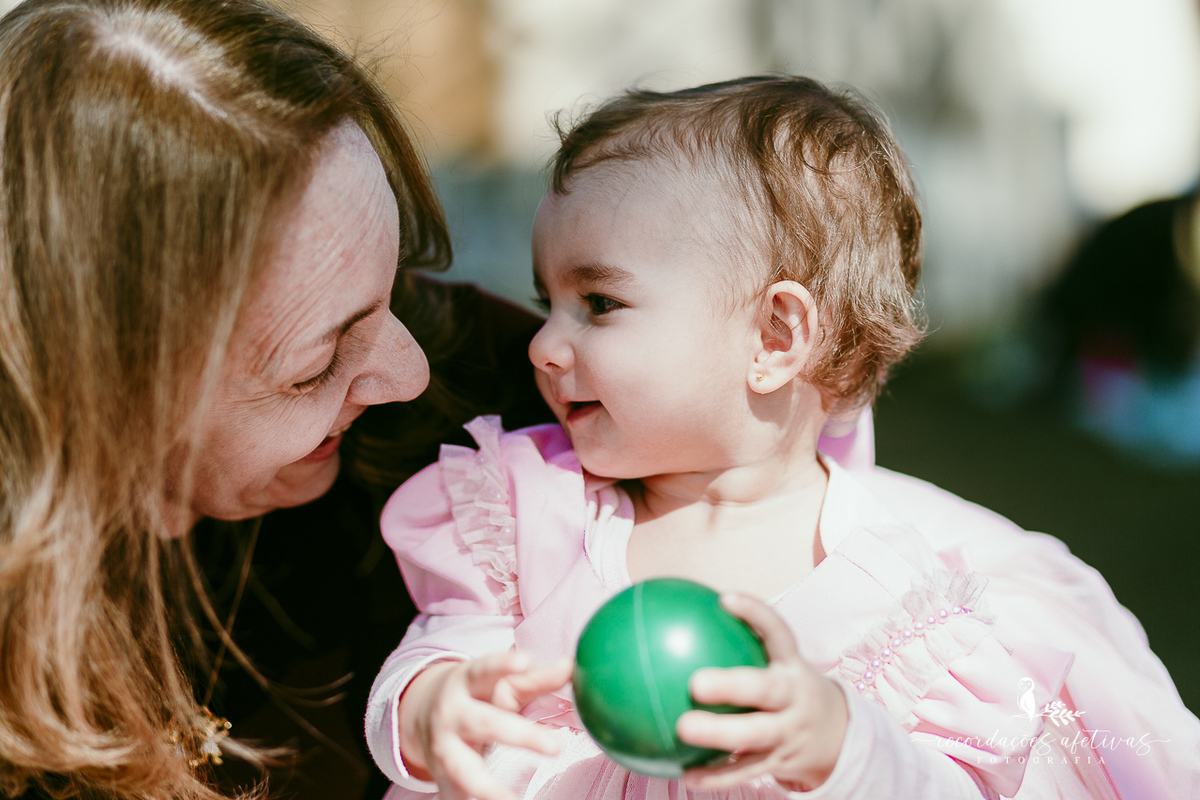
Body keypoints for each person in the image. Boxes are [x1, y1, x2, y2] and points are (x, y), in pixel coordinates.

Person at [366, 76, 1200, 799]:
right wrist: (432, 704)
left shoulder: (907, 603)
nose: (543, 345)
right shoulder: (526, 516)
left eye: (600, 305)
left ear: (775, 337)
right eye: (547, 302)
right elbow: (438, 652)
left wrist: (844, 746)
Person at [0, 0, 476, 797]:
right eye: (313, 366)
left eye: (393, 282)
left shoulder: (501, 399)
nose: (410, 374)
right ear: (95, 404)